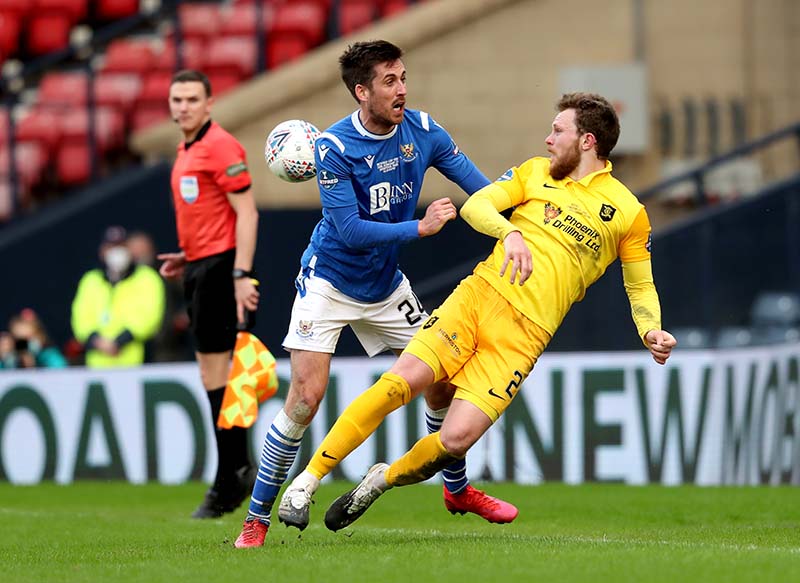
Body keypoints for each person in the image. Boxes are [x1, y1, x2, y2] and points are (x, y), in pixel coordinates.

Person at [280, 92, 678, 533]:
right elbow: (477, 204)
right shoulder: (534, 173)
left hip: (525, 337)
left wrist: (651, 330)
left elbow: (639, 283)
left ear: (587, 141)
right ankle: (307, 481)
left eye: (558, 131)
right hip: (478, 298)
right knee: (400, 383)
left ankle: (380, 481)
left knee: (454, 440)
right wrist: (509, 233)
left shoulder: (627, 212)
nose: (548, 139)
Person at [234, 40, 516, 549]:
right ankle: (256, 519)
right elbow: (349, 230)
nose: (402, 89)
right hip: (330, 282)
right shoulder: (334, 148)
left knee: (444, 379)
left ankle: (456, 491)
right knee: (304, 399)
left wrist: (517, 223)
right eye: (389, 81)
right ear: (361, 91)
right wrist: (420, 229)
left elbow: (481, 188)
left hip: (387, 288)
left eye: (403, 77)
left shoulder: (424, 132)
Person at [157, 70, 260, 519]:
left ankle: (233, 475)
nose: (182, 106)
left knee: (221, 371)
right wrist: (188, 255)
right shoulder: (186, 148)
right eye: (176, 98)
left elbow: (248, 212)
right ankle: (235, 469)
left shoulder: (220, 146)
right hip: (201, 264)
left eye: (191, 98)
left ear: (209, 103)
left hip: (221, 268)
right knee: (213, 374)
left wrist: (241, 273)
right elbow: (211, 213)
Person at [71, 225, 165, 368]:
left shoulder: (146, 277)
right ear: (102, 251)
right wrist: (96, 341)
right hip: (97, 363)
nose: (116, 252)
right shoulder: (91, 280)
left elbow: (149, 316)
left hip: (137, 360)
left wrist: (120, 341)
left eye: (121, 246)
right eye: (111, 247)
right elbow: (80, 317)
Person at [0, 308, 67, 369]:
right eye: (17, 340)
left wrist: (34, 363)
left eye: (26, 339)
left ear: (39, 337)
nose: (22, 345)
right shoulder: (8, 360)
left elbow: (62, 373)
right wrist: (5, 360)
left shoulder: (49, 356)